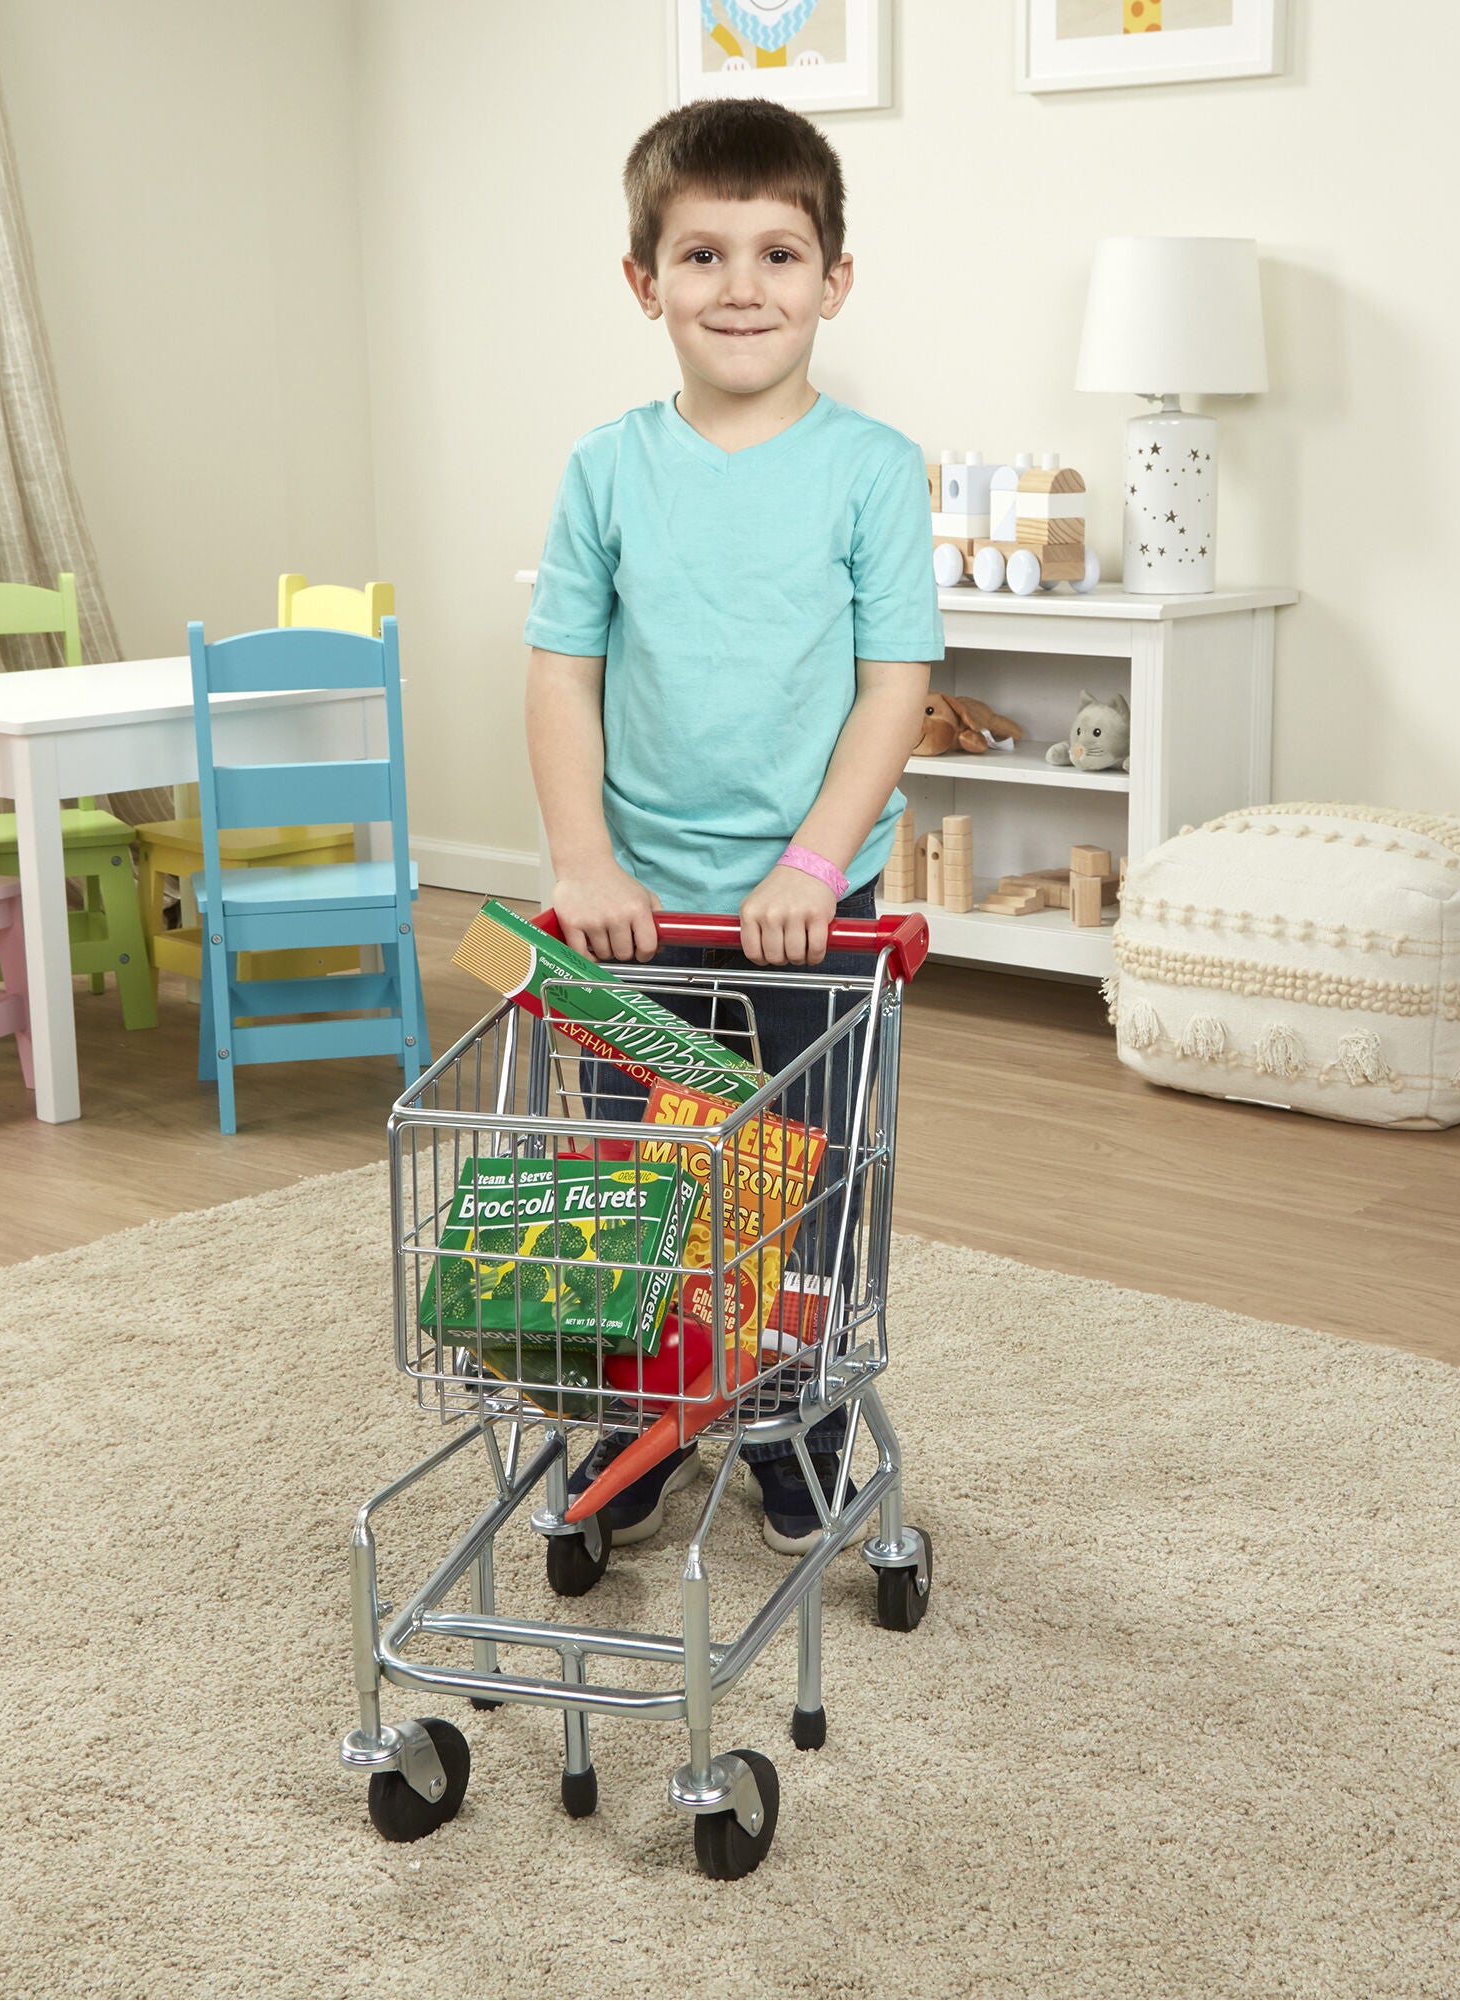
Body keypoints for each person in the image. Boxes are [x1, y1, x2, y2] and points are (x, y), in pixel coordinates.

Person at [522, 96, 942, 1554]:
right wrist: (584, 859)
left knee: (804, 1180)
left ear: (835, 278)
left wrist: (813, 865)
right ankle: (636, 1412)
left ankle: (790, 1406)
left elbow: (896, 686)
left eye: (778, 252)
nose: (742, 286)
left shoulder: (872, 470)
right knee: (637, 1189)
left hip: (813, 916)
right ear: (644, 283)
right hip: (636, 911)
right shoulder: (606, 469)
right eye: (701, 254)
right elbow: (562, 676)